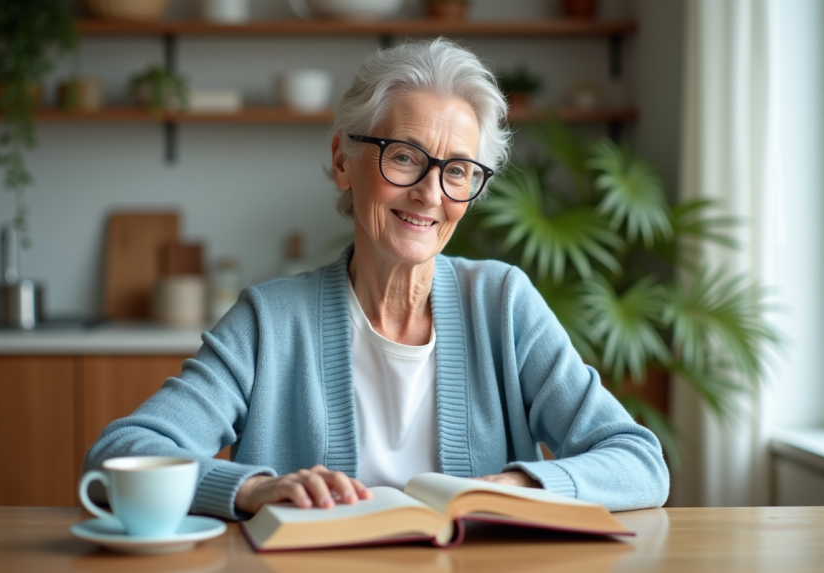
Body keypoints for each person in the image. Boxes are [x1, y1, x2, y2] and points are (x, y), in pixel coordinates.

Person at [84, 39, 669, 520]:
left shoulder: (503, 303)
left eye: (458, 171)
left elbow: (639, 460)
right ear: (344, 160)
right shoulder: (270, 321)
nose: (430, 193)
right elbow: (118, 457)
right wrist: (253, 489)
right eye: (405, 156)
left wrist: (522, 483)